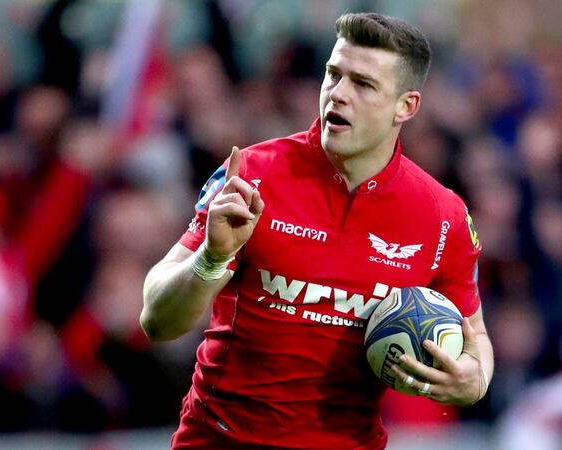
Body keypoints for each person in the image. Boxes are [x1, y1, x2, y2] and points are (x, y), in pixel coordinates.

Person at [141, 12, 494, 449]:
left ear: (406, 106)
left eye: (363, 84)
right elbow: (156, 321)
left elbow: (473, 332)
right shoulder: (251, 176)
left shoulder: (443, 216)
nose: (338, 94)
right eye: (333, 75)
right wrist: (210, 258)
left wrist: (474, 379)